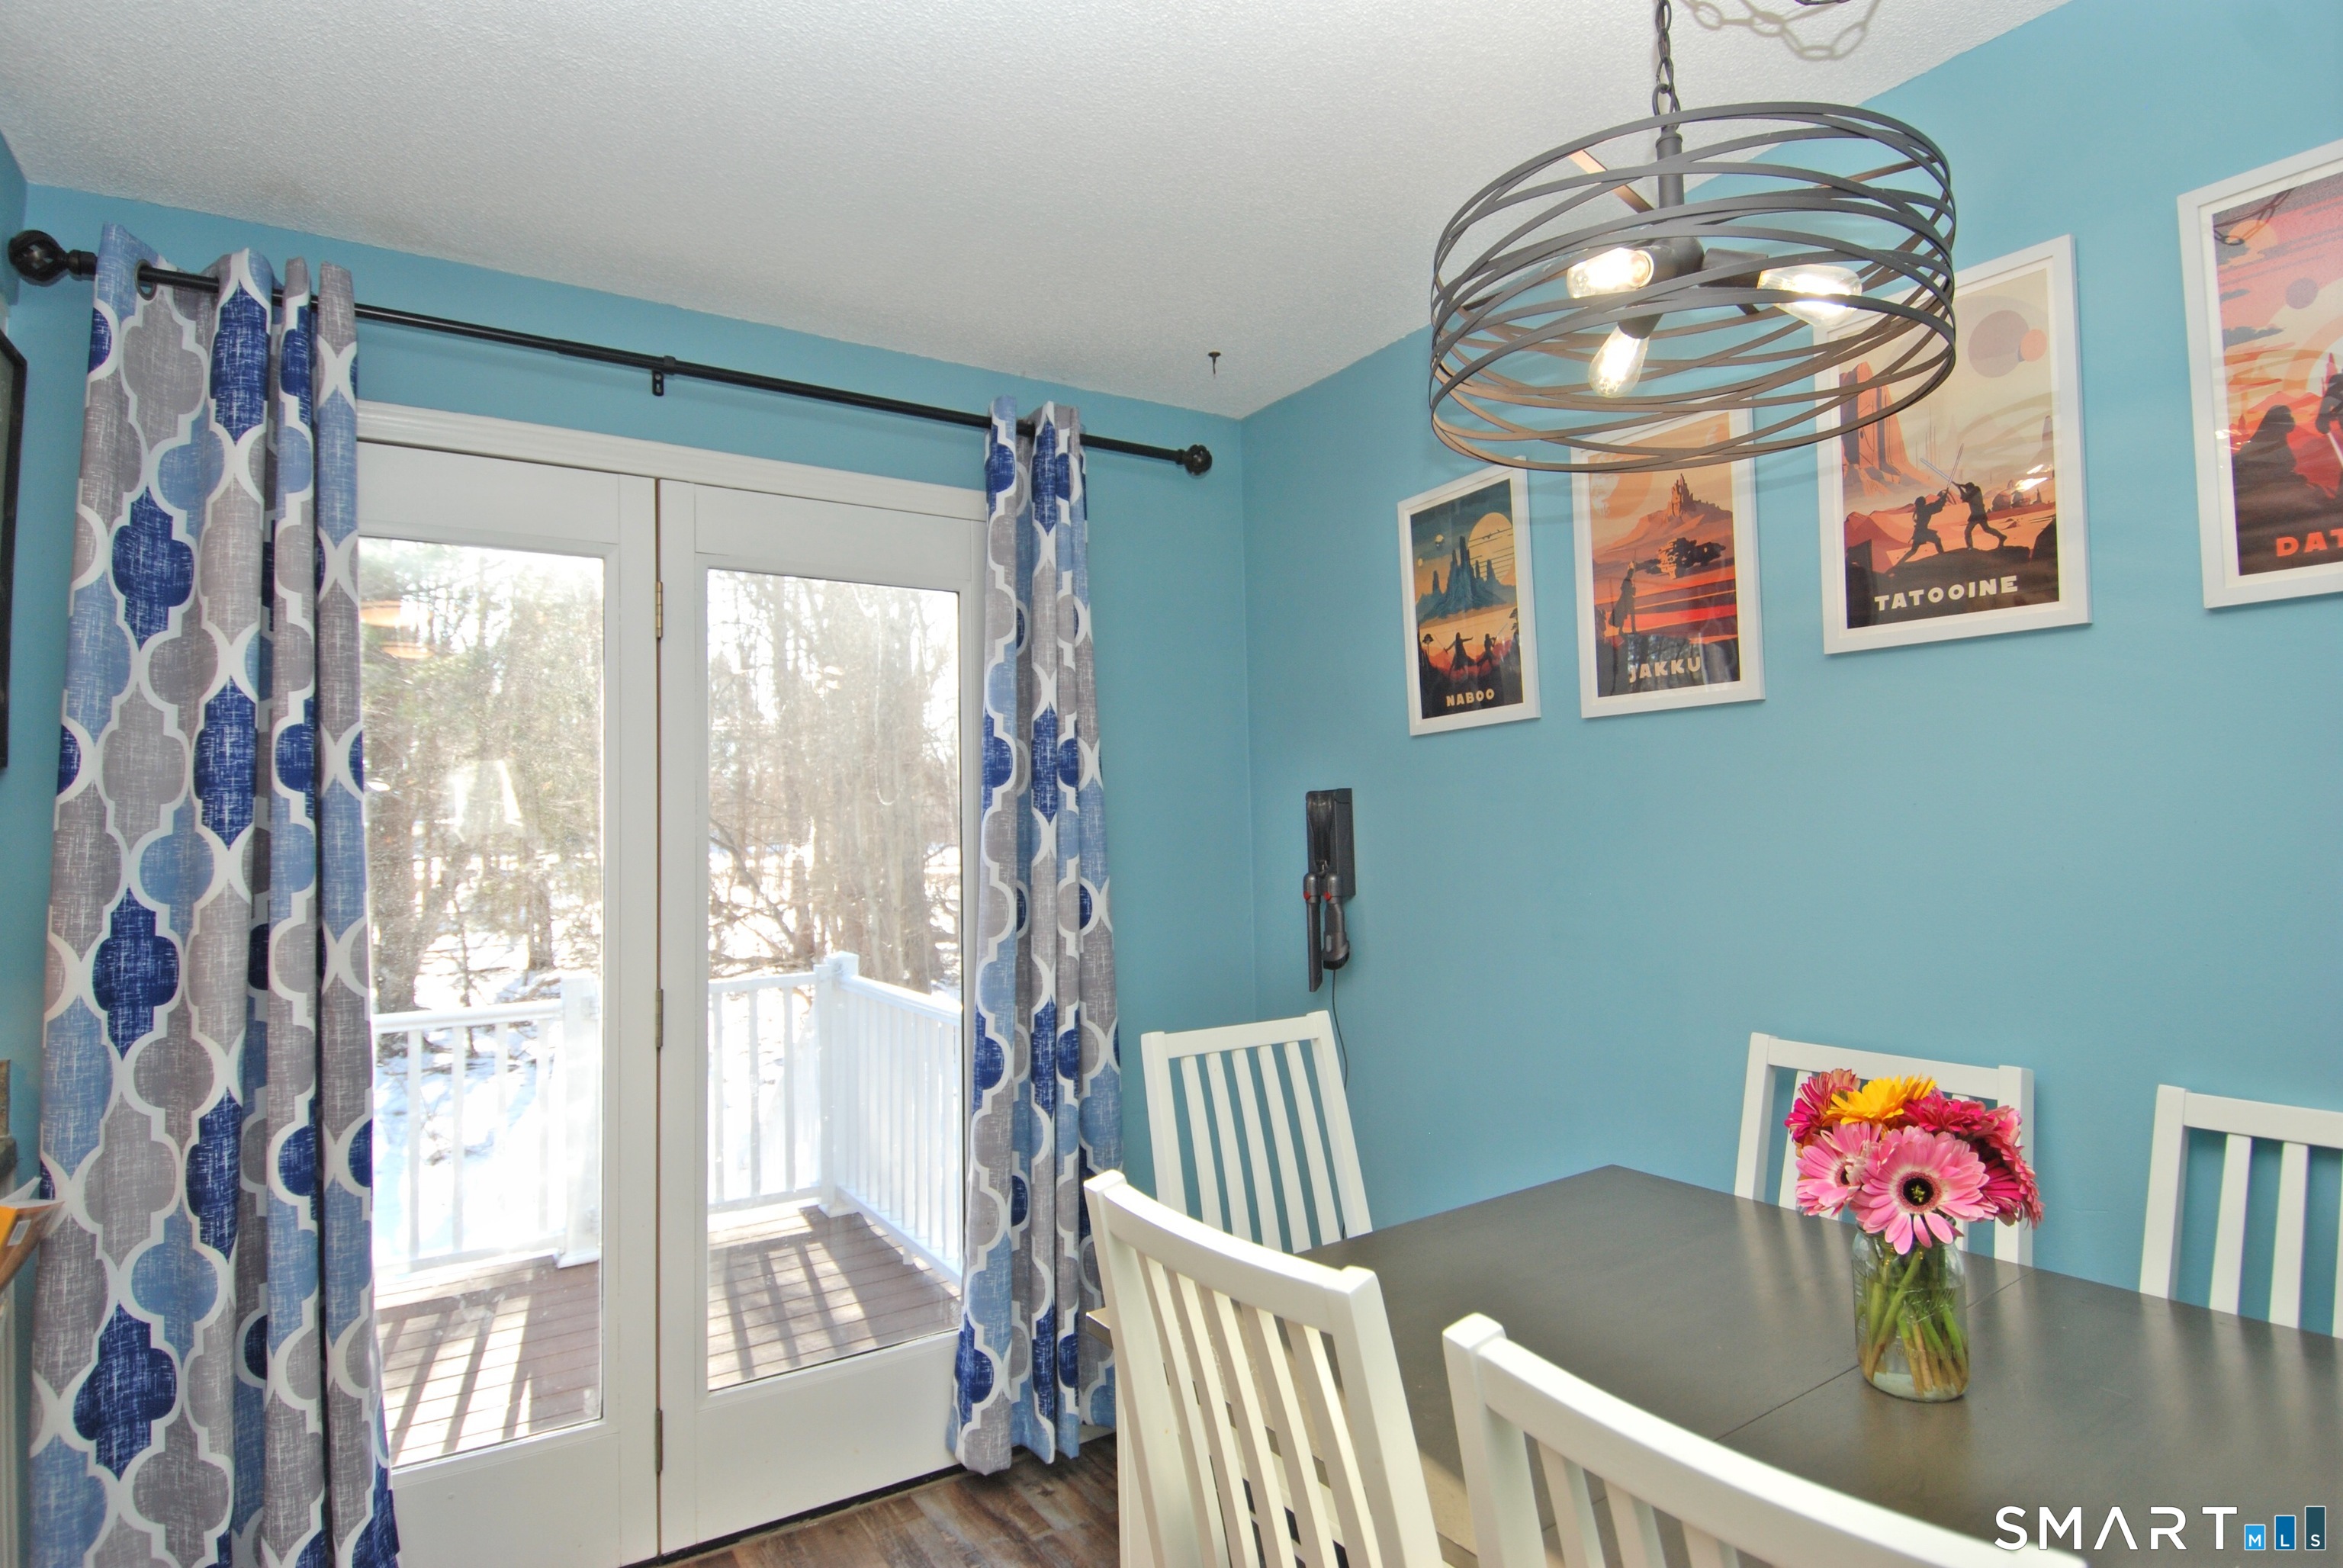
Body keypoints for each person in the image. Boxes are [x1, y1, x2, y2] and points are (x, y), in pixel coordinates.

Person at [1893, 491, 1949, 568]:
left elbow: (1934, 506)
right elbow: (1935, 507)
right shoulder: (1925, 509)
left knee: (1914, 550)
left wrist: (1942, 500)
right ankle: (1943, 557)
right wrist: (1943, 499)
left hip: (1919, 532)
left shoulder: (1920, 510)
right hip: (1923, 532)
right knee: (1937, 540)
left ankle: (1899, 563)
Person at [1956, 480, 2006, 551]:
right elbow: (1968, 493)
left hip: (1976, 515)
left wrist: (1960, 489)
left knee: (1967, 531)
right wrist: (1961, 486)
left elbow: (1964, 498)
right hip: (1981, 514)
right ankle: (2001, 536)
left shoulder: (1971, 495)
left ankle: (1970, 547)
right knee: (1987, 529)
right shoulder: (1977, 491)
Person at [1610, 563, 1640, 638]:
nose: (1632, 574)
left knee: (1627, 615)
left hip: (1628, 600)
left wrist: (1632, 590)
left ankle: (1630, 630)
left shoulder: (1628, 580)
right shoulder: (1627, 580)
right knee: (1625, 615)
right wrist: (1632, 590)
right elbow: (1624, 589)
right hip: (1626, 601)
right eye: (1631, 573)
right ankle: (1628, 630)